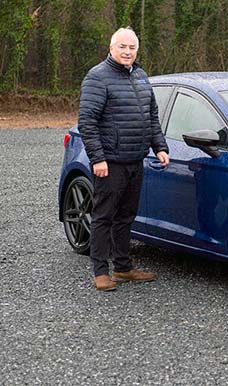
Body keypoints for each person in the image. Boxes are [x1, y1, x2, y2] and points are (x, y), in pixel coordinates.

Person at [78, 27, 170, 291]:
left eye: (132, 48)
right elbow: (87, 122)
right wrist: (98, 158)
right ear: (111, 48)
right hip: (109, 162)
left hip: (135, 160)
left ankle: (123, 268)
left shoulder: (141, 77)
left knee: (126, 215)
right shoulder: (97, 77)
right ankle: (100, 271)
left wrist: (160, 146)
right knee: (104, 216)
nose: (127, 52)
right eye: (122, 47)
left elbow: (151, 116)